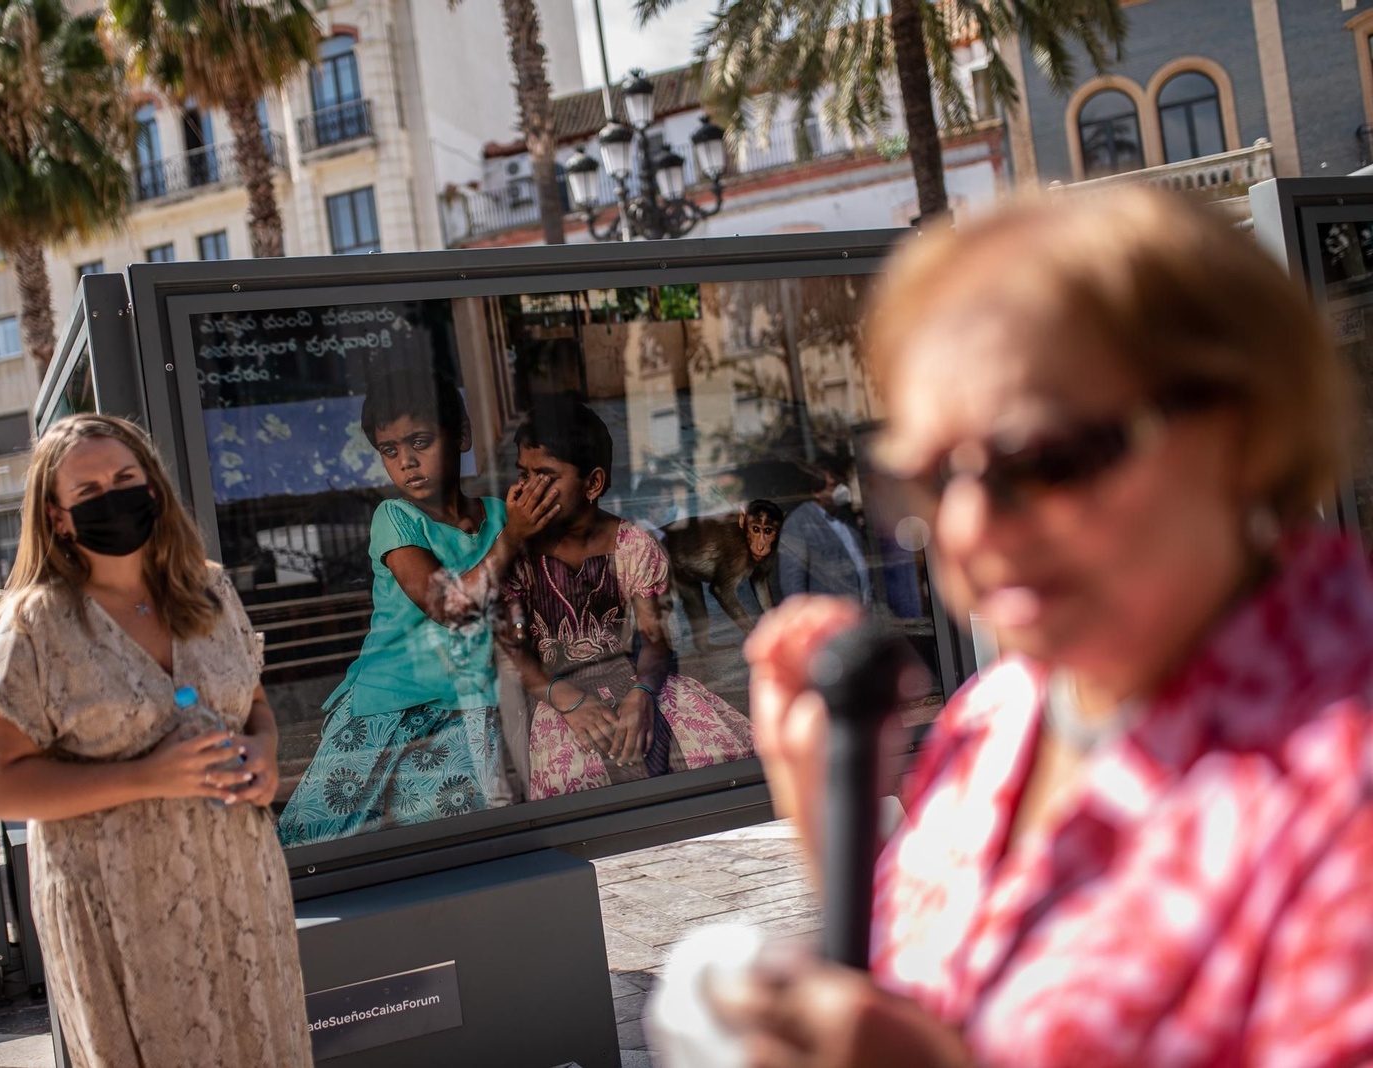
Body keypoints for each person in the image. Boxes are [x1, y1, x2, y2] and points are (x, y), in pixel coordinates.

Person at [709, 189, 1373, 1068]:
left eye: (1047, 460)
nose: (974, 527)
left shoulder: (1345, 785)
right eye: (939, 476)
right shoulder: (1001, 711)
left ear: (1237, 432)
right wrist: (830, 826)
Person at [0, 413, 312, 1068]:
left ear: (153, 488)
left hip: (242, 885)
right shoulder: (33, 625)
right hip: (122, 910)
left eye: (126, 478)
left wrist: (264, 755)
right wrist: (147, 776)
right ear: (59, 516)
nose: (113, 497)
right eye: (89, 491)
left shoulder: (208, 591)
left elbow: (255, 707)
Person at [276, 368, 560, 845]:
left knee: (443, 830)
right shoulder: (396, 518)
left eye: (420, 442)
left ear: (462, 435)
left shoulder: (500, 514)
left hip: (469, 709)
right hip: (385, 705)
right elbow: (449, 607)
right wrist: (511, 538)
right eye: (390, 451)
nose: (406, 461)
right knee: (317, 836)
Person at [498, 397, 753, 799]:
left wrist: (643, 693)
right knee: (576, 783)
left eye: (544, 476)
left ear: (593, 484)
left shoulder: (633, 546)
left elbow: (654, 639)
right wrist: (558, 696)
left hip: (634, 683)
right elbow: (512, 646)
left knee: (709, 758)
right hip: (558, 695)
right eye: (523, 474)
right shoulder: (518, 553)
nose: (528, 489)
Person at [776, 462, 873, 606]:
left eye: (841, 484)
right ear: (817, 492)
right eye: (833, 486)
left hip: (862, 615)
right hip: (832, 619)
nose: (841, 490)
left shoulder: (845, 517)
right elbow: (793, 581)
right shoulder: (798, 523)